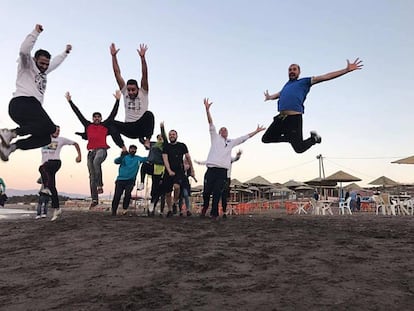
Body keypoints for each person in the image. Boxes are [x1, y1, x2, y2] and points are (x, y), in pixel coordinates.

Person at [0, 24, 72, 161]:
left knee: (45, 137)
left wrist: (65, 53)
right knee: (51, 127)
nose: (44, 67)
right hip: (21, 103)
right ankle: (11, 133)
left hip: (28, 114)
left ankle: (10, 148)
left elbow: (55, 63)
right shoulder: (27, 64)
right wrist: (35, 33)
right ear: (34, 60)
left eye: (46, 64)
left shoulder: (44, 70)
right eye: (41, 63)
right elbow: (23, 50)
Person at [262, 58, 363, 153]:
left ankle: (314, 139)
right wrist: (270, 97)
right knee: (266, 139)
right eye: (290, 70)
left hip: (293, 118)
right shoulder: (287, 85)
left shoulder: (304, 82)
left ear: (299, 72)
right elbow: (279, 94)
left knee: (299, 148)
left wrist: (346, 70)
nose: (292, 71)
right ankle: (289, 138)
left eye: (294, 69)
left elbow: (325, 77)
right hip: (281, 118)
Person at [201, 98, 265, 219]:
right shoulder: (215, 138)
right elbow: (210, 123)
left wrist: (256, 131)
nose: (223, 131)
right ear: (219, 132)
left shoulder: (231, 143)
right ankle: (205, 206)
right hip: (211, 170)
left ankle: (214, 213)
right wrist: (207, 110)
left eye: (225, 130)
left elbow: (244, 137)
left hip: (222, 172)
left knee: (217, 193)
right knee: (206, 192)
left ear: (227, 133)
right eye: (222, 129)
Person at [65, 90, 124, 207]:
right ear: (92, 118)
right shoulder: (88, 125)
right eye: (95, 117)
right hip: (90, 152)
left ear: (101, 119)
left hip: (102, 150)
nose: (97, 118)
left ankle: (100, 185)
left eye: (98, 117)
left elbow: (113, 114)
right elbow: (78, 114)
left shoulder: (105, 125)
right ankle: (95, 199)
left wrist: (117, 100)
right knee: (91, 176)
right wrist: (70, 101)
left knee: (97, 162)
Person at [109, 43, 155, 150]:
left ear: (138, 89)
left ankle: (147, 140)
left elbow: (144, 75)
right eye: (129, 90)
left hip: (141, 126)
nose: (130, 92)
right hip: (129, 128)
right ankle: (123, 147)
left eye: (133, 90)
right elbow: (117, 73)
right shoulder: (125, 92)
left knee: (149, 115)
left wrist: (142, 58)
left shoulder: (143, 92)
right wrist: (113, 56)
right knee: (110, 123)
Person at [38, 126, 81, 221]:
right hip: (47, 166)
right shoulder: (43, 139)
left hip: (55, 162)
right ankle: (57, 209)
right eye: (55, 130)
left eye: (59, 130)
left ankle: (46, 188)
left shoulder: (61, 140)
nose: (58, 132)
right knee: (53, 187)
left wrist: (79, 156)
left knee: (41, 168)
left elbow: (75, 143)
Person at [195, 150, 242, 218]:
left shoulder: (228, 157)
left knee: (221, 194)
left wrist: (238, 155)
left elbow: (235, 159)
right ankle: (206, 208)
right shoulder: (215, 157)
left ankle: (221, 212)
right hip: (213, 176)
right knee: (206, 193)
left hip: (225, 177)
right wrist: (200, 162)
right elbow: (208, 162)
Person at [162, 129, 195, 217]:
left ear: (177, 136)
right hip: (168, 170)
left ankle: (175, 202)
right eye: (170, 135)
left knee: (177, 187)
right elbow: (165, 159)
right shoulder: (166, 146)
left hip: (179, 171)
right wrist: (169, 170)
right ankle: (169, 210)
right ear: (168, 137)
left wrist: (192, 169)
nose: (172, 136)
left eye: (173, 134)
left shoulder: (182, 145)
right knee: (168, 193)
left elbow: (188, 158)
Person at [111, 145, 147, 216]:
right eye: (131, 149)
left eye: (134, 149)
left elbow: (148, 158)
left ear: (136, 150)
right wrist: (121, 156)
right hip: (120, 179)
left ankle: (124, 209)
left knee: (128, 194)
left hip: (130, 180)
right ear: (129, 150)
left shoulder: (138, 158)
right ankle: (114, 210)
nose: (133, 150)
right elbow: (116, 161)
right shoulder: (124, 157)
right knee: (117, 195)